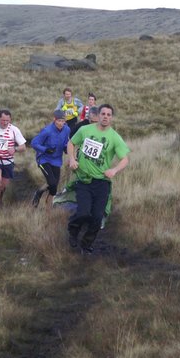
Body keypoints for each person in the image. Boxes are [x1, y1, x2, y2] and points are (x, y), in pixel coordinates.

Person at [67, 104, 130, 254]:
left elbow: (125, 159)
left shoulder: (114, 137)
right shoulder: (85, 130)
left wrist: (114, 170)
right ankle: (73, 231)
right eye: (103, 114)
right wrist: (72, 159)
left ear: (111, 118)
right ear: (98, 115)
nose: (105, 117)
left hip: (102, 183)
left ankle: (86, 243)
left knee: (97, 217)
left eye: (109, 114)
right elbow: (71, 143)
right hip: (84, 179)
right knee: (83, 212)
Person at [0, 109, 27, 215]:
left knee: (3, 186)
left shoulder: (14, 130)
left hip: (8, 161)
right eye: (3, 120)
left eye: (7, 120)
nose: (5, 122)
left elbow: (23, 147)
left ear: (10, 119)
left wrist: (15, 149)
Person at [31, 110, 70, 208]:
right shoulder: (47, 131)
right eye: (59, 121)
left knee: (54, 188)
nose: (61, 123)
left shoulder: (67, 130)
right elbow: (34, 143)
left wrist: (66, 148)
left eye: (63, 121)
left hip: (57, 160)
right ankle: (38, 193)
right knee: (52, 182)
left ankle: (47, 209)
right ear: (54, 119)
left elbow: (66, 142)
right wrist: (45, 149)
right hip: (43, 159)